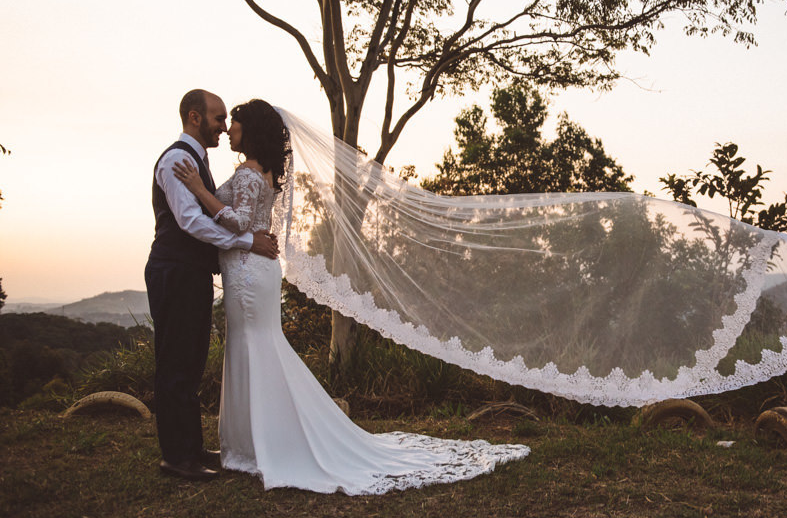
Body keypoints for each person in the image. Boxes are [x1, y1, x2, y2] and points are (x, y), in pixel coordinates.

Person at [173, 99, 528, 494]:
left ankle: (258, 444)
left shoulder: (247, 175)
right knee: (257, 346)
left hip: (246, 272)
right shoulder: (263, 172)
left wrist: (199, 190)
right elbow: (248, 221)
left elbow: (238, 221)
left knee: (253, 347)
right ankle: (255, 442)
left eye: (234, 123)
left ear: (249, 130)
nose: (228, 129)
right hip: (255, 271)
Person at [145, 89, 280, 482]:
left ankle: (190, 447)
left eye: (228, 121)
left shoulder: (201, 164)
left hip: (194, 272)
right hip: (173, 269)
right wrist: (245, 241)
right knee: (174, 362)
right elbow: (190, 220)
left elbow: (224, 210)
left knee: (189, 361)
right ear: (194, 118)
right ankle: (176, 456)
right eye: (219, 118)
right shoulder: (176, 160)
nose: (224, 126)